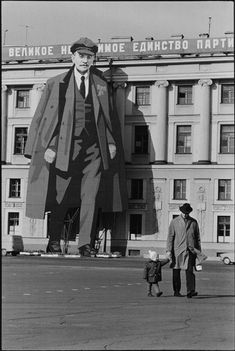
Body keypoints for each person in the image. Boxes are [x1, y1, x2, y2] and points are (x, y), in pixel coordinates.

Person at [24, 37, 127, 255]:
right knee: (60, 197)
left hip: (94, 150)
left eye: (89, 57)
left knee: (90, 196)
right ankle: (54, 240)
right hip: (64, 148)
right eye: (81, 56)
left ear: (93, 60)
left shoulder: (101, 85)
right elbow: (44, 118)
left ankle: (85, 244)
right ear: (73, 57)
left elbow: (109, 119)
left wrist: (110, 142)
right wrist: (45, 147)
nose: (84, 60)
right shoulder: (56, 83)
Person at [166, 203, 203, 298]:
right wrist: (168, 250)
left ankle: (190, 290)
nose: (185, 214)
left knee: (190, 270)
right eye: (184, 212)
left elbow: (197, 238)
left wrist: (198, 252)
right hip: (177, 250)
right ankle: (176, 291)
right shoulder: (174, 222)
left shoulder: (194, 222)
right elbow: (170, 237)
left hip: (190, 250)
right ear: (181, 212)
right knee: (176, 271)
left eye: (187, 213)